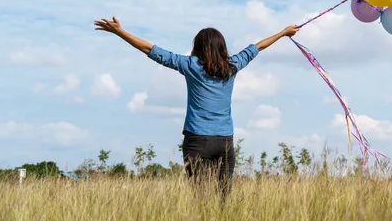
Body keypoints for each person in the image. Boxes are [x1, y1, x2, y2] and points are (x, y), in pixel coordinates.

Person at [93, 16, 299, 198]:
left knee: (200, 199)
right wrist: (283, 33)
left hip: (197, 141)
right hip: (225, 142)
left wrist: (120, 32)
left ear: (199, 47)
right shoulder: (233, 66)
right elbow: (258, 47)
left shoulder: (191, 65)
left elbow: (151, 50)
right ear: (222, 47)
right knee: (223, 199)